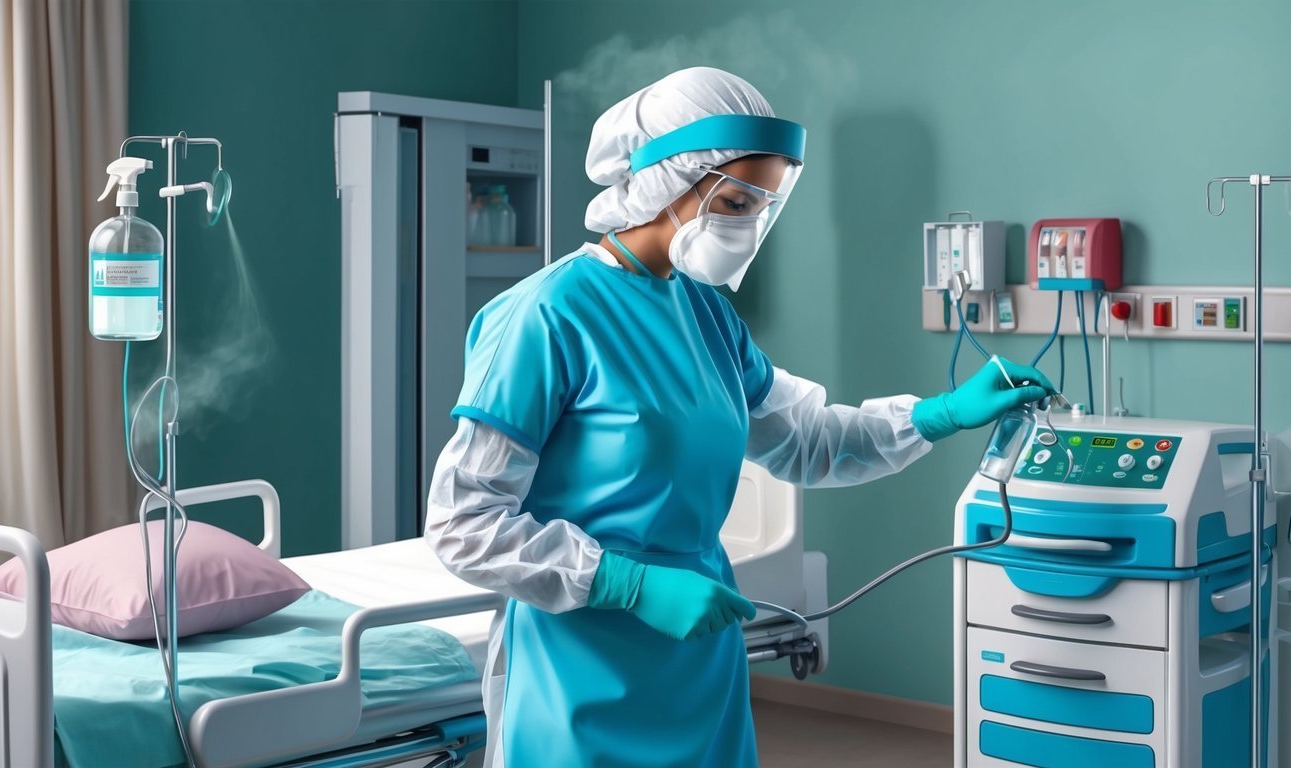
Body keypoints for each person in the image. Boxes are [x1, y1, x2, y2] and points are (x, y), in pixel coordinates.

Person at [425, 66, 1052, 768]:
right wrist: (627, 584)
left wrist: (939, 414)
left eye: (762, 204)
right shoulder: (544, 316)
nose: (747, 223)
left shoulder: (704, 313)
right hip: (582, 661)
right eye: (732, 200)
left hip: (698, 656)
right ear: (666, 179)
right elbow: (464, 521)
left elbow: (806, 442)